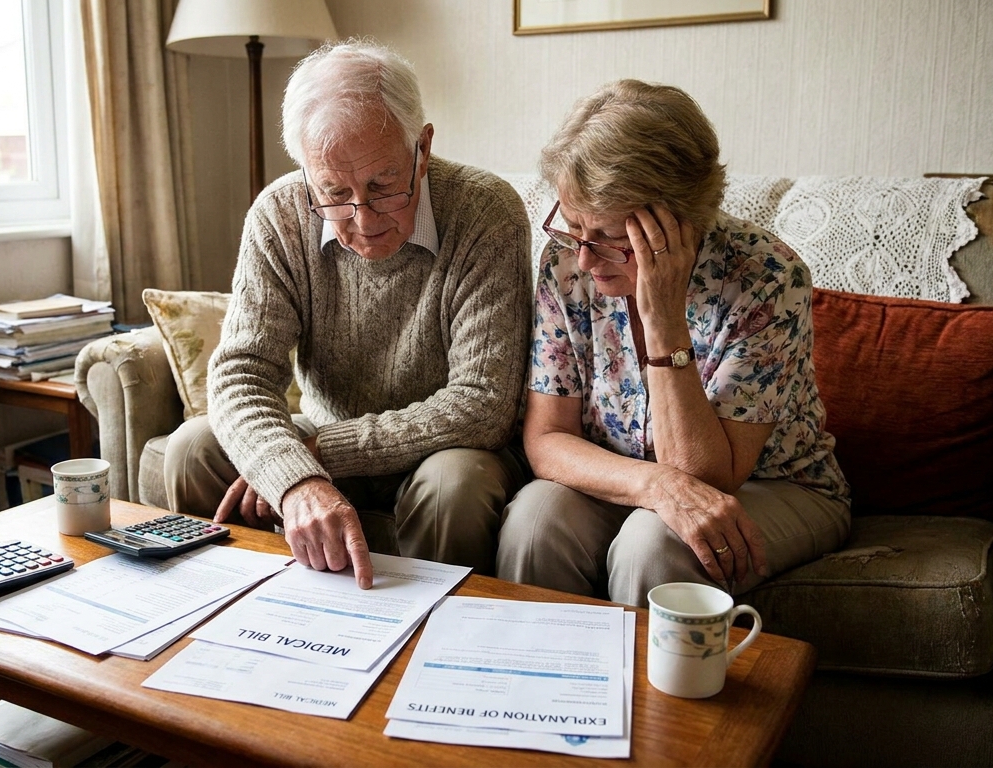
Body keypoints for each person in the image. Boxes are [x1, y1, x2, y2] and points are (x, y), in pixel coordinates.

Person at [164, 41, 531, 589]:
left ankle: (433, 641)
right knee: (193, 448)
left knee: (456, 482)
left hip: (445, 452)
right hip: (321, 435)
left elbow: (483, 404)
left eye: (384, 185)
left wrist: (318, 452)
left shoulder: (485, 211)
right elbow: (240, 373)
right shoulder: (279, 213)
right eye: (333, 192)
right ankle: (238, 618)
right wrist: (293, 478)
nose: (360, 218)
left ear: (422, 148)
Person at [496, 80, 851, 606]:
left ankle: (643, 693)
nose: (587, 260)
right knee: (534, 520)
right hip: (628, 475)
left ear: (680, 220)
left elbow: (708, 478)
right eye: (573, 228)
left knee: (655, 544)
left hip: (775, 485)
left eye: (612, 240)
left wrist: (662, 320)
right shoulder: (567, 262)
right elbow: (547, 437)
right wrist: (654, 487)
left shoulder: (766, 280)